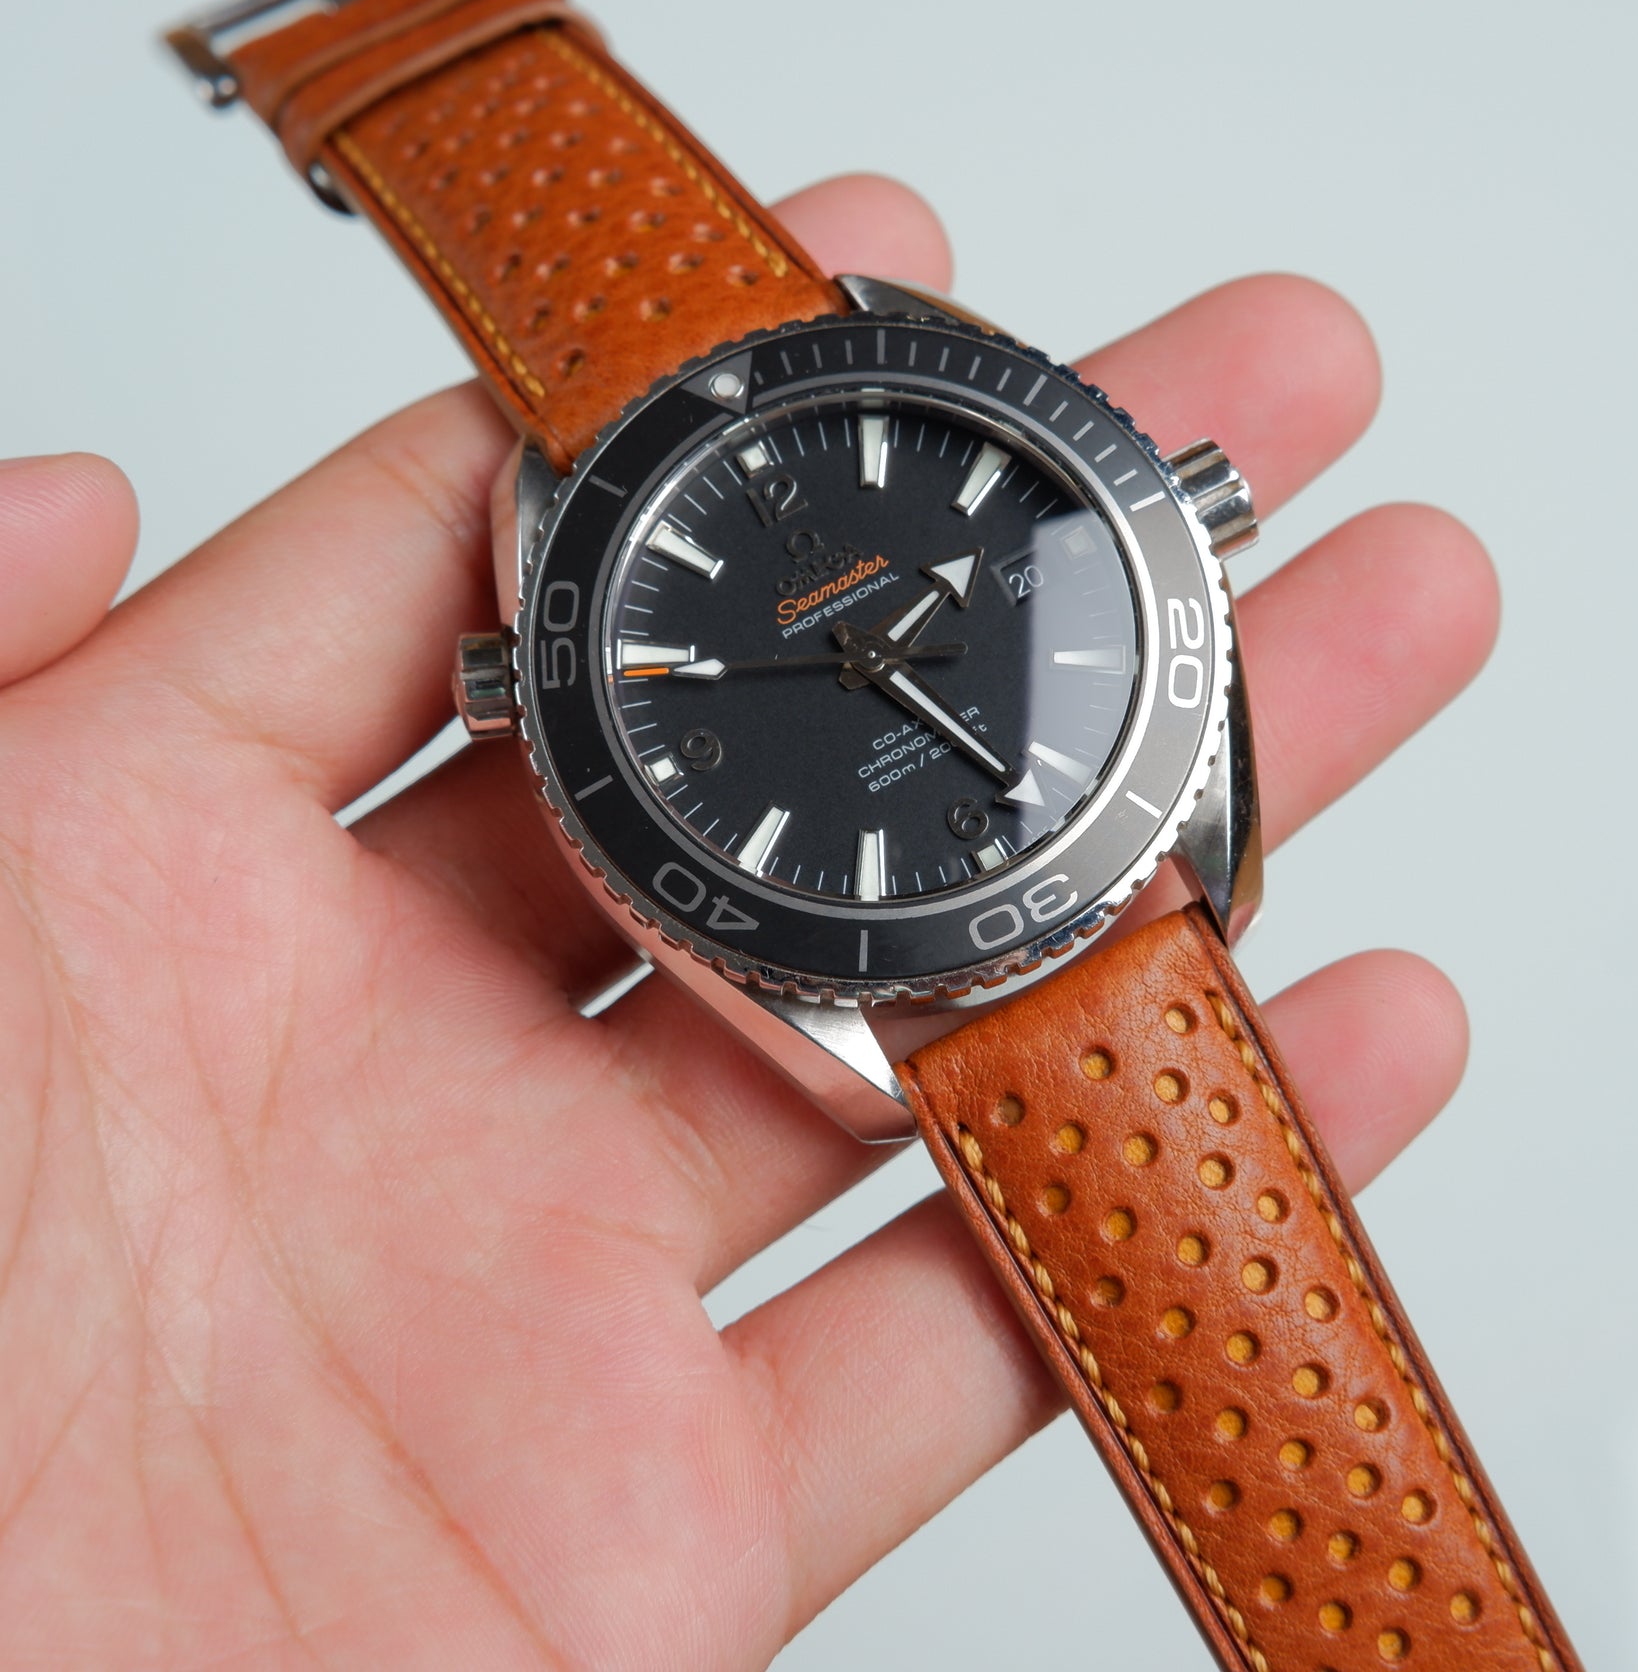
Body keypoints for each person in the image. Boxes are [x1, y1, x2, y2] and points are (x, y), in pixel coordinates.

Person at [0, 172, 1498, 1665]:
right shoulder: (570, 559)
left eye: (878, 645)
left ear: (1181, 511)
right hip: (952, 965)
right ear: (518, 696)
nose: (868, 660)